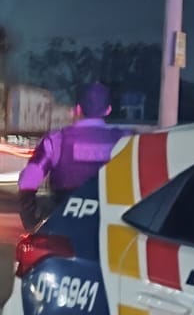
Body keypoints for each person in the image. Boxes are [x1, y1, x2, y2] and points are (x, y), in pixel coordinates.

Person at [16, 82, 128, 228]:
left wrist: (31, 222)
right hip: (111, 229)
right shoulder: (125, 140)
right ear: (108, 110)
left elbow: (28, 182)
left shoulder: (57, 140)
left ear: (78, 109)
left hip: (65, 224)